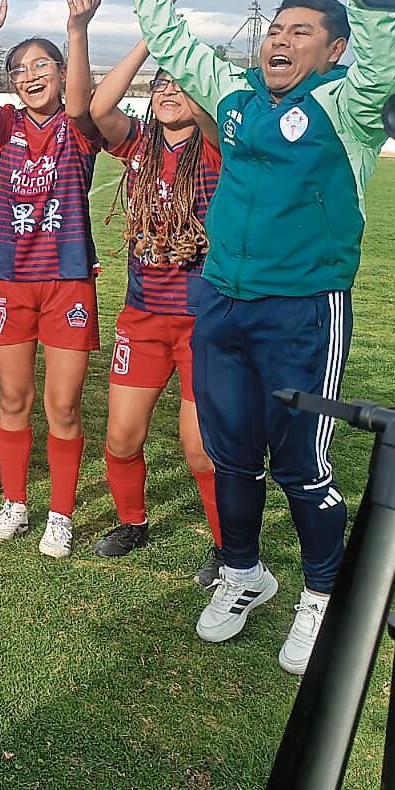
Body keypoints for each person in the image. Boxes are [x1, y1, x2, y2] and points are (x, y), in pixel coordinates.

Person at [125, 0, 395, 674]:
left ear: (332, 48)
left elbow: (381, 67)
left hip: (304, 308)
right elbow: (177, 47)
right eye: (276, 30)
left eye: (300, 32)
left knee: (303, 464)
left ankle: (324, 596)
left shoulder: (347, 109)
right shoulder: (237, 96)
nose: (280, 41)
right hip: (220, 301)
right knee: (230, 455)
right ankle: (244, 574)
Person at [0, 0, 104, 559]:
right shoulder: (6, 128)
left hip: (68, 279)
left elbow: (79, 98)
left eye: (41, 64)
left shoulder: (79, 126)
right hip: (9, 280)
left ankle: (61, 514)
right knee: (13, 399)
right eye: (19, 69)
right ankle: (16, 501)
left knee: (63, 405)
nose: (30, 75)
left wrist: (77, 31)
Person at [80, 31, 226, 588]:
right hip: (142, 319)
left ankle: (224, 544)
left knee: (200, 451)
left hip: (202, 321)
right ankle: (132, 522)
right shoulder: (138, 144)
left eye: (181, 84)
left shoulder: (215, 146)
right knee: (121, 438)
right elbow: (99, 108)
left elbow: (213, 118)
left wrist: (191, 68)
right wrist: (148, 41)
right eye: (162, 83)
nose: (169, 90)